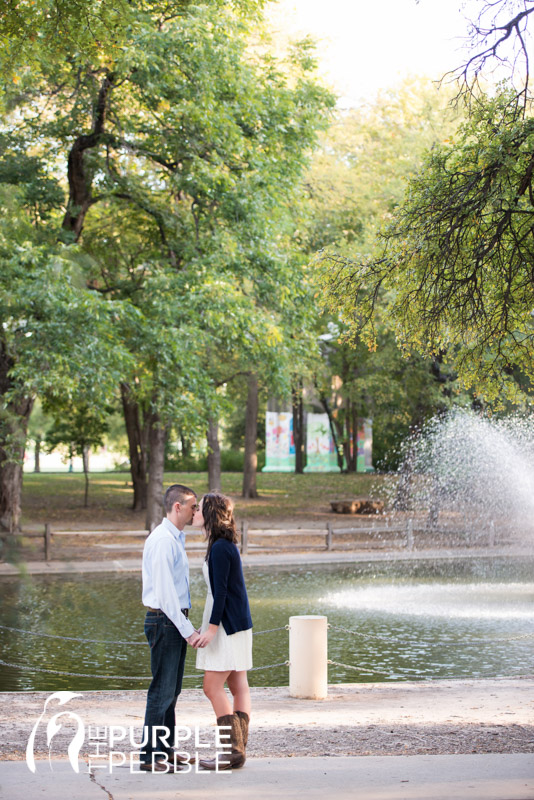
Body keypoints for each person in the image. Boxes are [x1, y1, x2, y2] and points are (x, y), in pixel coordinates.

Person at [140, 483, 201, 772]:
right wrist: (188, 630)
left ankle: (165, 749)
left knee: (172, 690)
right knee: (161, 690)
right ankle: (150, 757)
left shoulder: (175, 538)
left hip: (172, 620)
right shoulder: (163, 540)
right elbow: (165, 595)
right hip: (165, 621)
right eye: (193, 506)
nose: (196, 512)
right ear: (178, 507)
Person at [192, 493, 253, 770]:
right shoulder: (224, 544)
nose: (194, 512)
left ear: (209, 513)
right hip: (236, 623)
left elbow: (222, 593)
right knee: (238, 685)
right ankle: (237, 749)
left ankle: (232, 750)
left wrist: (212, 629)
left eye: (198, 509)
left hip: (226, 626)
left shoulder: (219, 548)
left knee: (211, 686)